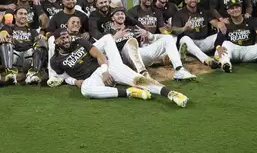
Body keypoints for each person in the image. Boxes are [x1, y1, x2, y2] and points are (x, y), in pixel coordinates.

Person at [50, 29, 189, 107]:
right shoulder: (55, 60)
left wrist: (105, 72)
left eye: (67, 37)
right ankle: (128, 92)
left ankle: (170, 94)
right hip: (91, 77)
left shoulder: (80, 42)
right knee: (86, 90)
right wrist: (75, 82)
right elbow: (64, 76)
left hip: (108, 66)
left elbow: (99, 55)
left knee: (137, 79)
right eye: (62, 38)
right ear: (55, 41)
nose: (66, 40)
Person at [213, 1, 257, 74]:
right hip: (234, 51)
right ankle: (226, 64)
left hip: (249, 50)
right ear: (228, 11)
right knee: (225, 44)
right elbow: (218, 40)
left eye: (237, 7)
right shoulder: (225, 23)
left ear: (241, 9)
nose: (235, 10)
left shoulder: (252, 20)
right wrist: (218, 47)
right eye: (232, 8)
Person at [0, 6, 48, 84]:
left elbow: (38, 41)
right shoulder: (9, 27)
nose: (23, 16)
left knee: (42, 42)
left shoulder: (32, 30)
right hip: (13, 57)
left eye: (25, 14)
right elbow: (4, 31)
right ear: (15, 16)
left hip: (28, 57)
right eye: (20, 13)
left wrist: (40, 37)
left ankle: (33, 74)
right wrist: (3, 32)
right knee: (5, 40)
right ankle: (10, 73)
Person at [173, 0, 221, 68]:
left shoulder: (203, 11)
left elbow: (213, 21)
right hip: (191, 44)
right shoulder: (180, 13)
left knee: (220, 34)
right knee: (184, 39)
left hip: (204, 42)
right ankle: (207, 60)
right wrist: (184, 28)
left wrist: (219, 25)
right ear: (185, 1)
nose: (193, 0)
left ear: (198, 0)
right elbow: (175, 30)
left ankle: (219, 57)